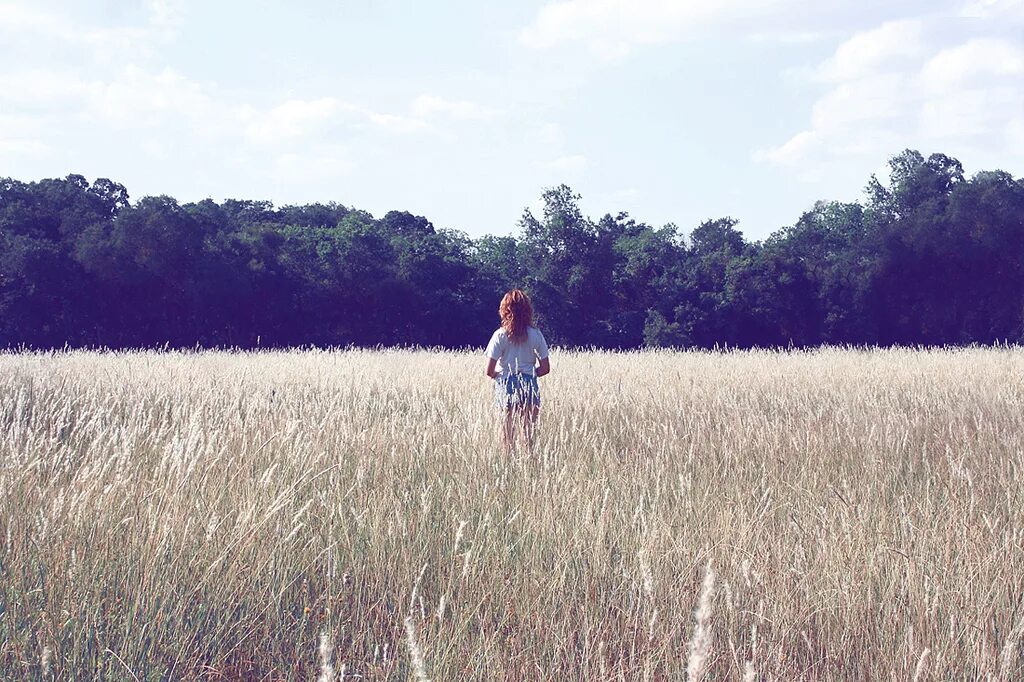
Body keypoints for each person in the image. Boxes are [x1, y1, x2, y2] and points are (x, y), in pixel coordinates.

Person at [484, 289, 550, 455]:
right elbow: (545, 368)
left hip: (506, 383)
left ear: (505, 310)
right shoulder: (536, 334)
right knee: (529, 434)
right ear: (528, 310)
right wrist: (529, 374)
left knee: (507, 433)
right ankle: (530, 466)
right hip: (529, 383)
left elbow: (489, 370)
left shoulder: (500, 335)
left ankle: (509, 466)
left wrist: (500, 375)